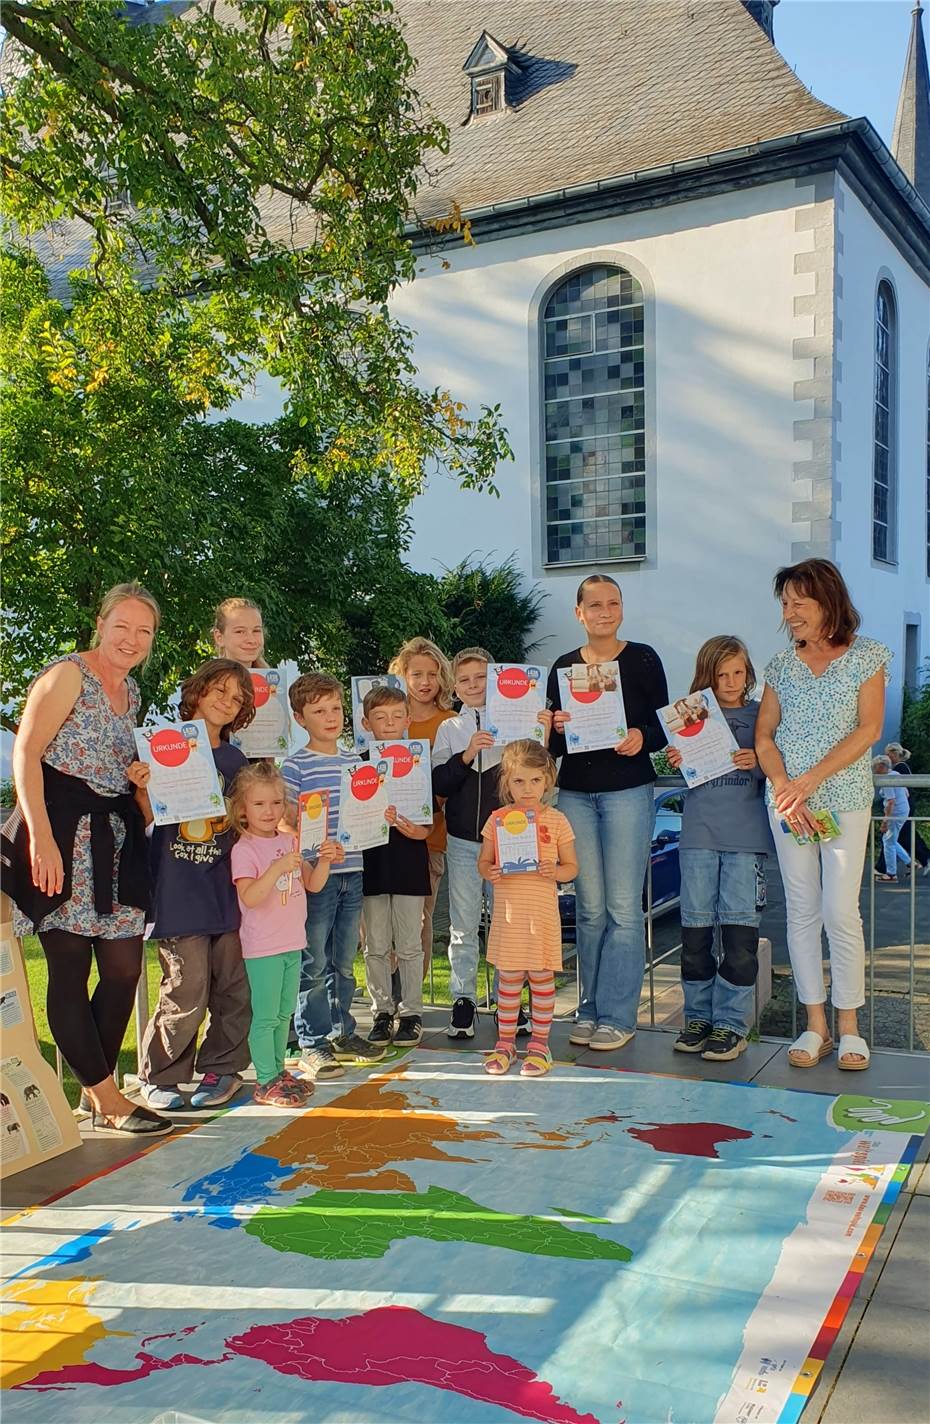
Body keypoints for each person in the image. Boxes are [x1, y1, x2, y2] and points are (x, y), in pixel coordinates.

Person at [2, 583, 171, 1135]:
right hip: (62, 837)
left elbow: (109, 763)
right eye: (122, 626)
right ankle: (108, 1099)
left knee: (123, 969)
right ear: (100, 623)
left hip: (116, 842)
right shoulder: (67, 674)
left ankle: (97, 1092)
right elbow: (26, 753)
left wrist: (136, 777)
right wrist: (41, 840)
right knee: (69, 970)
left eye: (143, 630)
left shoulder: (135, 694)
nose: (131, 638)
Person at [755, 558, 889, 1072]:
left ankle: (850, 1026)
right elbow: (765, 735)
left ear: (827, 600)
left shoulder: (867, 656)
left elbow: (869, 729)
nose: (789, 613)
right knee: (802, 910)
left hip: (845, 799)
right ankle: (817, 1026)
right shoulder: (781, 666)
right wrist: (786, 785)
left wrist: (812, 780)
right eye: (784, 603)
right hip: (789, 804)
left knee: (840, 911)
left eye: (798, 602)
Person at [546, 575, 669, 1051]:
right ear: (578, 612)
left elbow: (661, 725)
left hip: (627, 793)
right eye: (593, 604)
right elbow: (556, 746)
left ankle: (619, 1014)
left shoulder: (642, 658)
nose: (603, 611)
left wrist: (641, 734)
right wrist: (554, 726)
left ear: (622, 608)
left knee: (622, 909)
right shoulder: (562, 666)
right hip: (575, 794)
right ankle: (589, 1008)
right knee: (591, 910)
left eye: (612, 603)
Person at [137, 660, 255, 1111]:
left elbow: (247, 821)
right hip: (179, 889)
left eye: (237, 698)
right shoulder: (161, 747)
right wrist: (142, 791)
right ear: (198, 690)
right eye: (219, 691)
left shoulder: (236, 759)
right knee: (185, 989)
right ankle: (161, 1074)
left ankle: (221, 1070)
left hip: (227, 889)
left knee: (231, 987)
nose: (227, 702)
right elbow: (145, 819)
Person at [665, 636, 771, 1062]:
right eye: (721, 673)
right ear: (708, 675)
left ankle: (731, 1024)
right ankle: (698, 1019)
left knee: (739, 938)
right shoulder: (688, 714)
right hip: (698, 838)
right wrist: (675, 756)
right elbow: (685, 766)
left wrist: (758, 763)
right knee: (694, 935)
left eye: (738, 672)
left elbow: (780, 762)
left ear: (748, 673)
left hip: (746, 840)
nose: (730, 681)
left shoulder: (762, 714)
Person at [433, 648, 540, 1041]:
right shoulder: (449, 728)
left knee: (508, 925)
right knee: (463, 925)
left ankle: (509, 1001)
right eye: (465, 679)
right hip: (463, 840)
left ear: (494, 679)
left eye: (481, 677)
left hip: (510, 840)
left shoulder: (518, 720)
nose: (474, 685)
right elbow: (439, 783)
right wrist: (467, 755)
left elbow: (539, 770)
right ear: (454, 686)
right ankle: (463, 1000)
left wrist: (539, 729)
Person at [281, 673, 384, 1079]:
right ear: (299, 717)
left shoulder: (356, 763)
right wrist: (314, 845)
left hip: (353, 871)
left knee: (344, 959)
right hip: (316, 876)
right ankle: (312, 1040)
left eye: (336, 709)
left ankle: (343, 1031)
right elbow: (286, 822)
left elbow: (367, 816)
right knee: (314, 960)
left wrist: (381, 816)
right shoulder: (295, 764)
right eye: (318, 711)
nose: (330, 717)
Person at [230, 762, 336, 1107]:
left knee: (281, 1015)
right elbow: (250, 897)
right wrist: (276, 867)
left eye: (276, 802)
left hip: (292, 942)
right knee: (264, 1016)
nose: (269, 811)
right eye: (259, 804)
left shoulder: (291, 840)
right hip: (262, 947)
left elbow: (313, 884)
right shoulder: (244, 849)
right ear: (243, 810)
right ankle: (264, 1079)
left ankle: (277, 1071)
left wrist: (325, 861)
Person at [477, 741, 577, 1077]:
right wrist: (488, 870)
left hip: (541, 917)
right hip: (509, 918)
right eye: (519, 781)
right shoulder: (497, 820)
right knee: (508, 983)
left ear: (547, 780)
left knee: (541, 981)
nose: (528, 788)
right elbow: (484, 861)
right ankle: (505, 1044)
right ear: (507, 783)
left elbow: (572, 867)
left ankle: (539, 1046)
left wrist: (557, 872)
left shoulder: (558, 820)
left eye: (535, 781)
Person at [361, 685, 432, 1049]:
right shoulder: (358, 762)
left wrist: (420, 830)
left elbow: (429, 819)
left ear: (407, 719)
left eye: (395, 717)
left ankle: (412, 1012)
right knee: (375, 944)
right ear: (366, 722)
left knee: (408, 944)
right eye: (380, 717)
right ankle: (381, 1011)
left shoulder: (420, 761)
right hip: (371, 862)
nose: (388, 724)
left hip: (408, 861)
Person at [388, 637, 455, 977]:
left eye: (432, 674)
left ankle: (411, 998)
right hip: (383, 837)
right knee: (381, 923)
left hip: (429, 838)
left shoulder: (451, 721)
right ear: (402, 676)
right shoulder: (385, 718)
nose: (425, 682)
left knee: (420, 919)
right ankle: (385, 998)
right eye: (416, 674)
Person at [884, 742, 929, 872]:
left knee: (896, 836)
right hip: (905, 805)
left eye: (888, 754)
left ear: (893, 754)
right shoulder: (903, 767)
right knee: (903, 835)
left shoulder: (899, 768)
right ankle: (920, 859)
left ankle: (887, 868)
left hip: (902, 806)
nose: (887, 758)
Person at [872, 755, 911, 883]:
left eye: (875, 766)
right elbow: (906, 792)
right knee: (891, 840)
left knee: (888, 842)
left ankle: (891, 874)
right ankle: (909, 862)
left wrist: (885, 821)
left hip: (895, 812)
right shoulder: (895, 773)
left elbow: (891, 802)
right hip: (903, 809)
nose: (874, 769)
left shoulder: (887, 780)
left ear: (881, 766)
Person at [211, 597, 268, 668]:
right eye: (240, 631)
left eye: (256, 631)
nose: (251, 640)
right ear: (219, 637)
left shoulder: (274, 678)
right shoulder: (208, 678)